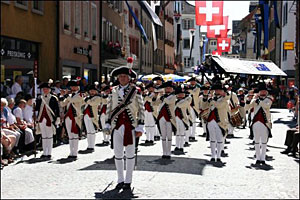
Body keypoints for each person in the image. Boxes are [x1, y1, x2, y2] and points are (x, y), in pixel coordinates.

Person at [104, 66, 145, 190]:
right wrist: (107, 123)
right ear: (117, 78)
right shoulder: (113, 91)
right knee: (118, 154)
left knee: (130, 154)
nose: (122, 78)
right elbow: (109, 108)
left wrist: (140, 126)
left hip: (131, 126)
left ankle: (128, 180)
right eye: (120, 76)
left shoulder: (135, 91)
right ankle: (120, 179)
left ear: (129, 78)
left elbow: (141, 109)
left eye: (125, 76)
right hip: (116, 126)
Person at [245, 83, 273, 165]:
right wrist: (248, 101)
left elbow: (267, 106)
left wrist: (259, 102)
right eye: (261, 91)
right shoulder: (254, 100)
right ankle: (258, 158)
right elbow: (247, 108)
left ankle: (263, 158)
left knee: (264, 142)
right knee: (256, 141)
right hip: (255, 123)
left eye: (264, 91)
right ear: (259, 92)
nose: (263, 92)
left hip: (265, 123)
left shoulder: (269, 99)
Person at [59, 80, 85, 159]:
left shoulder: (80, 95)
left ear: (78, 87)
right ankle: (71, 152)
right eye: (72, 86)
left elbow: (73, 100)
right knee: (70, 135)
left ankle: (75, 152)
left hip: (76, 117)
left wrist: (66, 95)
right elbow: (63, 104)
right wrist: (61, 96)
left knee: (75, 135)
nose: (72, 88)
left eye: (74, 86)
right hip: (68, 117)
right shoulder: (70, 95)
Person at [206, 83, 230, 162]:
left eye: (220, 90)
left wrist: (212, 101)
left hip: (220, 122)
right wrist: (207, 99)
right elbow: (205, 106)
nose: (218, 91)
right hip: (210, 121)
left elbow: (219, 106)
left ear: (223, 91)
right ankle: (213, 156)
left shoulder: (225, 99)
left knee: (220, 139)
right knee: (212, 139)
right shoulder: (212, 98)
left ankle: (218, 156)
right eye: (216, 90)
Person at [35, 82, 60, 158]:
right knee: (44, 136)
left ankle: (49, 152)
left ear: (49, 90)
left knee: (49, 136)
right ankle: (44, 152)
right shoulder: (39, 98)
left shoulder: (53, 98)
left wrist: (58, 117)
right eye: (44, 89)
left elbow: (57, 109)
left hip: (50, 118)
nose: (45, 90)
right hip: (41, 118)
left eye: (46, 89)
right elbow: (37, 109)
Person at [153, 81, 176, 159]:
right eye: (166, 88)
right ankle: (164, 152)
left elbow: (169, 102)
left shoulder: (173, 96)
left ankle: (168, 153)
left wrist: (163, 97)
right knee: (163, 136)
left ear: (172, 89)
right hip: (161, 117)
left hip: (169, 118)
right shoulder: (163, 96)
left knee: (169, 136)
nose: (167, 89)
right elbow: (155, 103)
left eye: (169, 88)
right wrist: (155, 96)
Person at [83, 84, 101, 151]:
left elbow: (92, 103)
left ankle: (92, 146)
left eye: (93, 90)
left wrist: (86, 99)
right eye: (91, 91)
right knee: (88, 131)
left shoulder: (98, 97)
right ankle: (89, 145)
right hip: (86, 115)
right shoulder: (87, 98)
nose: (92, 92)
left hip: (93, 116)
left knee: (92, 131)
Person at [174, 86, 192, 152]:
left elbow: (179, 105)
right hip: (175, 118)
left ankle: (181, 146)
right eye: (180, 93)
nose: (182, 95)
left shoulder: (186, 100)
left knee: (181, 133)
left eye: (183, 93)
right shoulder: (175, 100)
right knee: (177, 133)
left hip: (182, 118)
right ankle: (176, 146)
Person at [186, 77, 201, 141]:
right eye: (191, 81)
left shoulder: (197, 88)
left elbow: (194, 93)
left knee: (194, 121)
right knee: (188, 120)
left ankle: (193, 135)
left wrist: (188, 90)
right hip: (188, 106)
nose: (192, 82)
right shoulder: (188, 88)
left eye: (193, 81)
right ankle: (188, 135)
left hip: (194, 106)